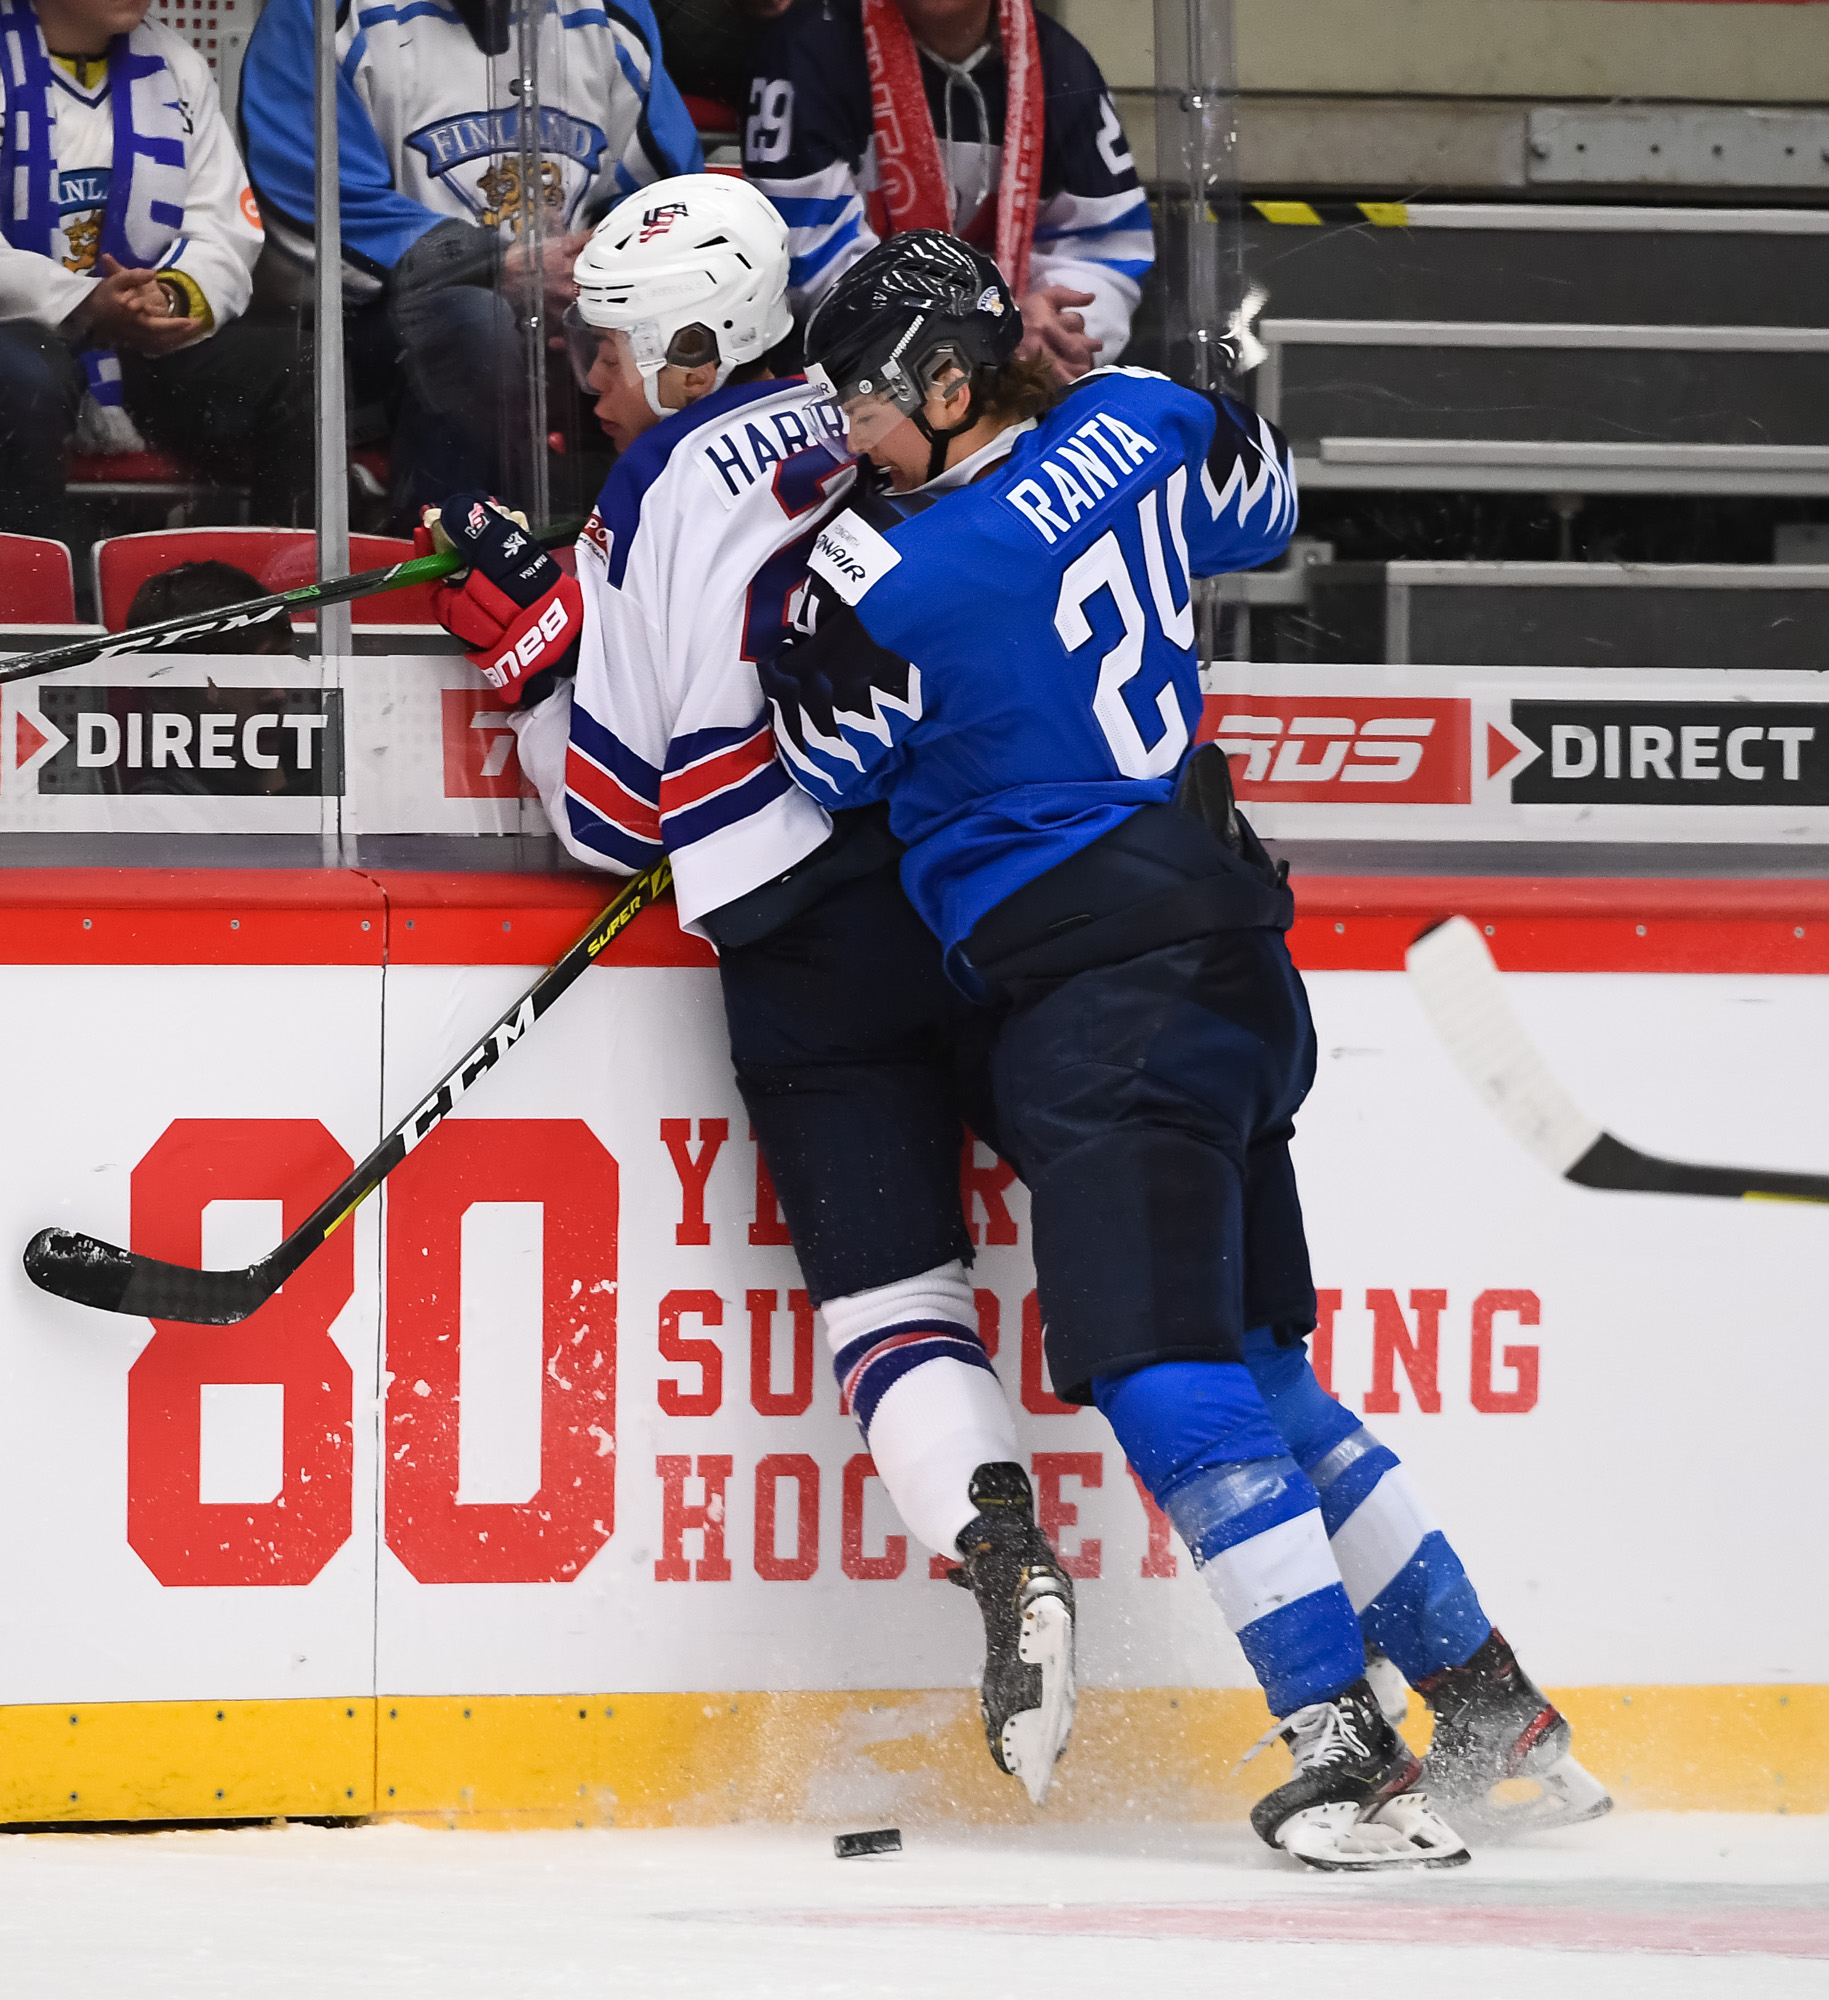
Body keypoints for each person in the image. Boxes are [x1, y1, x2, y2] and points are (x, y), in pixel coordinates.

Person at [759, 229, 1612, 1868]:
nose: (841, 428)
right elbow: (1262, 496)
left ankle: (1342, 1749)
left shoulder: (886, 574)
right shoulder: (1140, 415)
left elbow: (830, 761)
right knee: (1257, 1362)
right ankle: (1487, 1713)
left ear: (947, 384)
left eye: (862, 398)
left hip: (1095, 993)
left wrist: (846, 556)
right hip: (1227, 952)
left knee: (1157, 1368)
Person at [419, 173, 1076, 1803]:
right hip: (997, 893)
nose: (590, 382)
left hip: (806, 950)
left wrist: (528, 663)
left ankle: (1000, 1551)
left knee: (887, 1301)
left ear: (693, 347)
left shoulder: (654, 490)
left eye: (609, 349)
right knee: (1135, 1246)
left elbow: (608, 817)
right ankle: (1407, 1650)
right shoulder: (899, 412)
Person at [239, 0, 703, 520]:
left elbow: (667, 195)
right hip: (384, 332)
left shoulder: (613, 13)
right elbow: (309, 197)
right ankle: (452, 562)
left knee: (691, 331)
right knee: (478, 328)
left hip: (572, 316)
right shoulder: (324, 10)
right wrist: (494, 266)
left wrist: (596, 282)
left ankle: (627, 554)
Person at [0, 0, 313, 535]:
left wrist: (170, 296)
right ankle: (39, 609)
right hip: (21, 333)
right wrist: (79, 301)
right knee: (29, 375)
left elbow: (223, 226)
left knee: (301, 364)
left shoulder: (176, 63)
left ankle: (282, 598)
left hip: (139, 340)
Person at [742, 0, 1151, 384]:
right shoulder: (808, 50)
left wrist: (1055, 338)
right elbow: (813, 263)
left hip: (1015, 382)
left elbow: (1106, 250)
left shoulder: (1062, 64)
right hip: (840, 385)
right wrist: (989, 332)